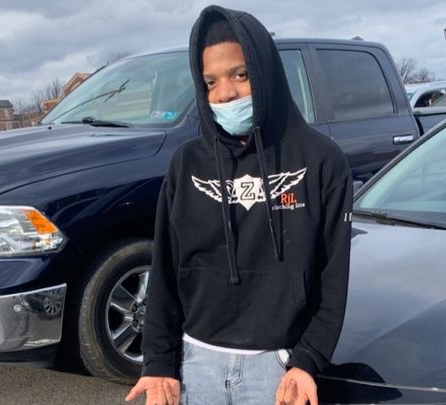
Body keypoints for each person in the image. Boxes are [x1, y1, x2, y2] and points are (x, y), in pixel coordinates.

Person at [126, 5, 352, 405]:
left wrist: (308, 359)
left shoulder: (321, 161)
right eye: (210, 82)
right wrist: (159, 362)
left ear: (265, 71)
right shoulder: (186, 164)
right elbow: (164, 270)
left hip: (278, 369)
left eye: (240, 75)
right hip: (196, 363)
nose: (225, 93)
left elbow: (333, 276)